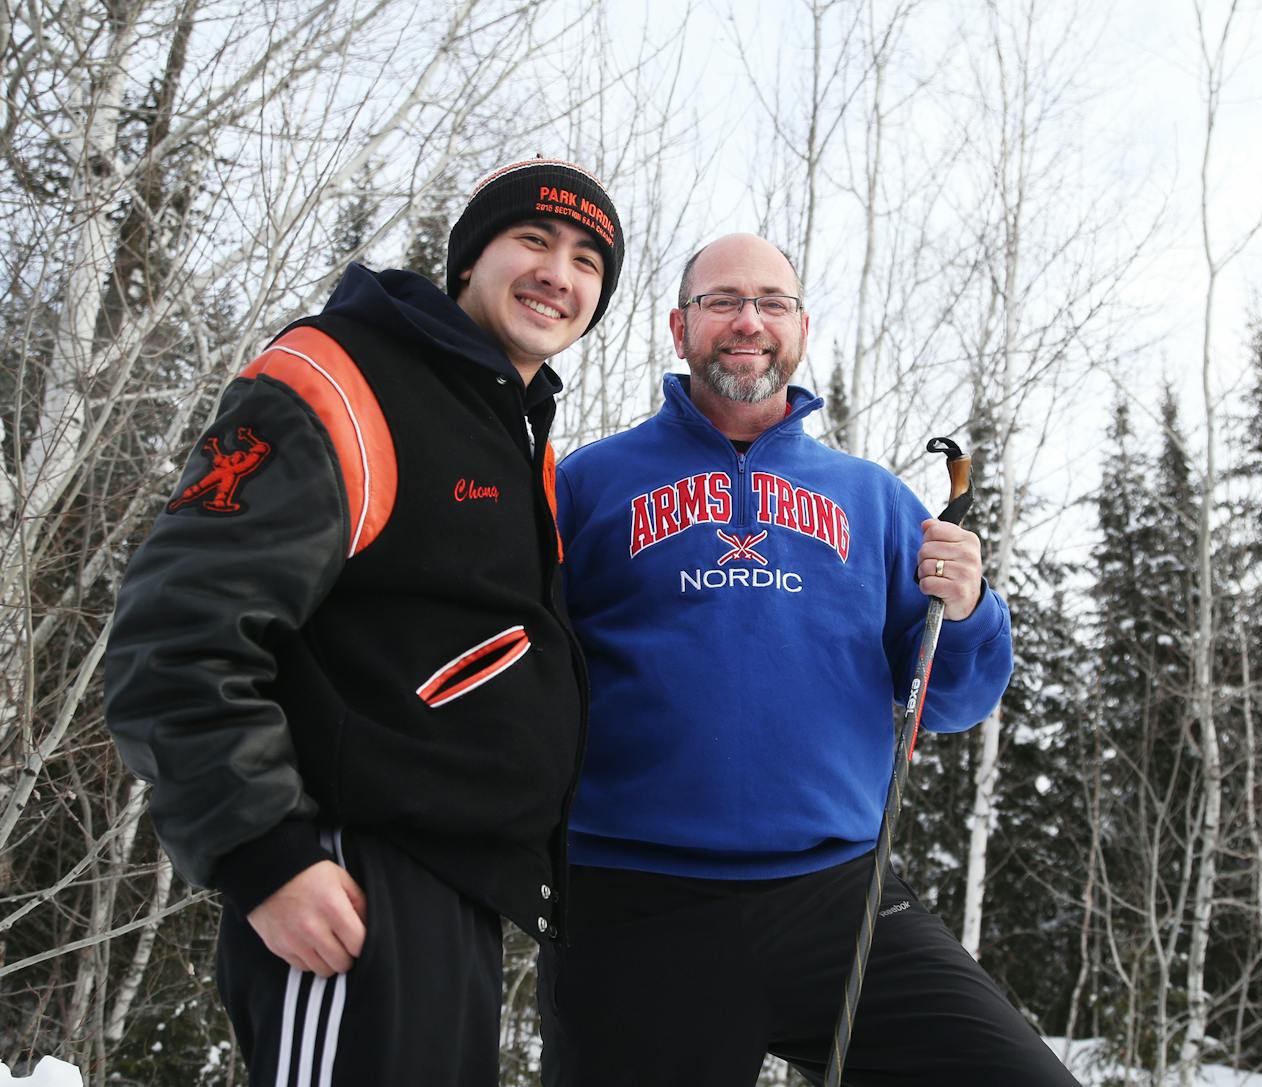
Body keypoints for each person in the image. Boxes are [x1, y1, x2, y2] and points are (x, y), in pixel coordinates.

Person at [104, 158, 623, 1086]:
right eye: (533, 241)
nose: (560, 272)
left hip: (454, 887)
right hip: (349, 870)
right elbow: (180, 624)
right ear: (469, 261)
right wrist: (262, 851)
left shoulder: (512, 432)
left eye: (587, 259)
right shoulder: (348, 376)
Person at [541, 233, 1081, 1086]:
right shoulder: (587, 485)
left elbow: (954, 697)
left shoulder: (872, 498)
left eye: (771, 302)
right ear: (679, 329)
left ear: (798, 327)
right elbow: (520, 678)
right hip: (634, 902)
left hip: (841, 897)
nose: (747, 320)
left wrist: (971, 607)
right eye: (721, 301)